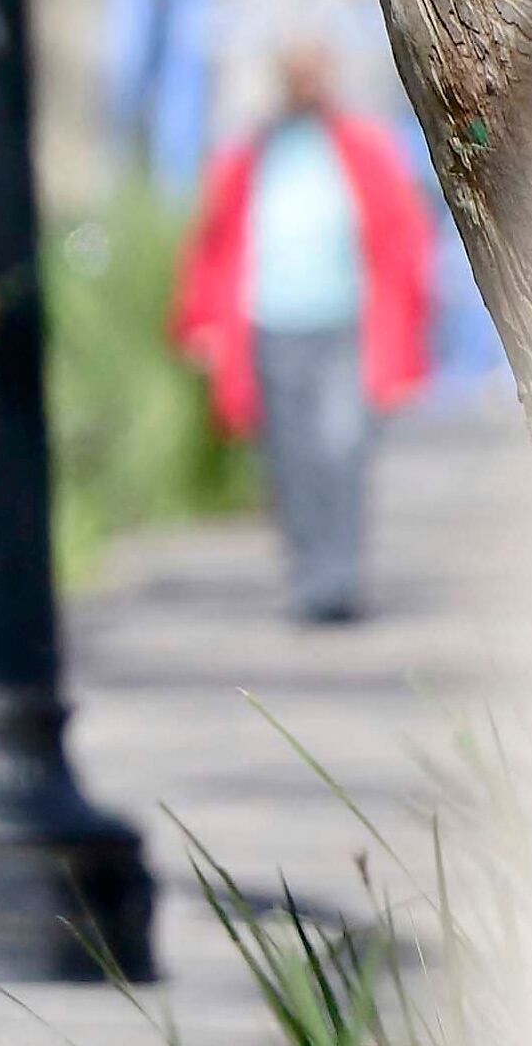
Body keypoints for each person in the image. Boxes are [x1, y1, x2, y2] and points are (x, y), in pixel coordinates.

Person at [168, 34, 435, 625]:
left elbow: (402, 236)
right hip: (271, 323)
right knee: (289, 459)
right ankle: (311, 578)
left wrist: (410, 326)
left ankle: (341, 578)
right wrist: (203, 322)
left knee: (342, 449)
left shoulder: (362, 147)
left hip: (344, 321)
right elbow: (214, 242)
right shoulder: (253, 154)